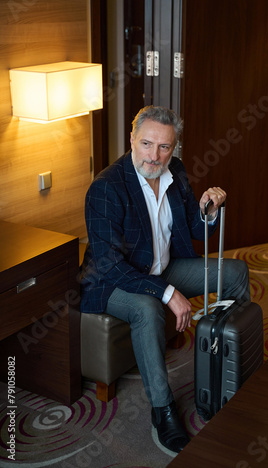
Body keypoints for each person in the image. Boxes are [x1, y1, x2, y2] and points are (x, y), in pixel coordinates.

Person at [80, 105, 250, 453]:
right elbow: (111, 265)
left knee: (235, 272)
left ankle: (230, 368)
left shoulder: (176, 172)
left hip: (161, 266)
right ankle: (163, 409)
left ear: (174, 148)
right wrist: (168, 292)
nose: (154, 156)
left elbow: (191, 226)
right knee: (148, 308)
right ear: (131, 139)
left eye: (164, 147)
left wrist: (209, 212)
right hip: (112, 282)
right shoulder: (106, 188)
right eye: (146, 144)